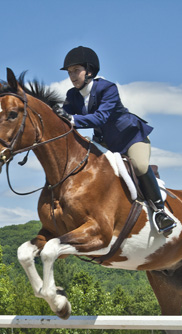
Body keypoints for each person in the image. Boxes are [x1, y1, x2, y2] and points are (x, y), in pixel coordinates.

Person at [57, 46, 175, 233]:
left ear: (89, 71)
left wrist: (71, 119)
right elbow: (64, 119)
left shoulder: (107, 88)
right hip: (105, 142)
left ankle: (160, 211)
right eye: (70, 72)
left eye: (76, 71)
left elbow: (100, 117)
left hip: (131, 138)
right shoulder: (72, 95)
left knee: (140, 166)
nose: (72, 76)